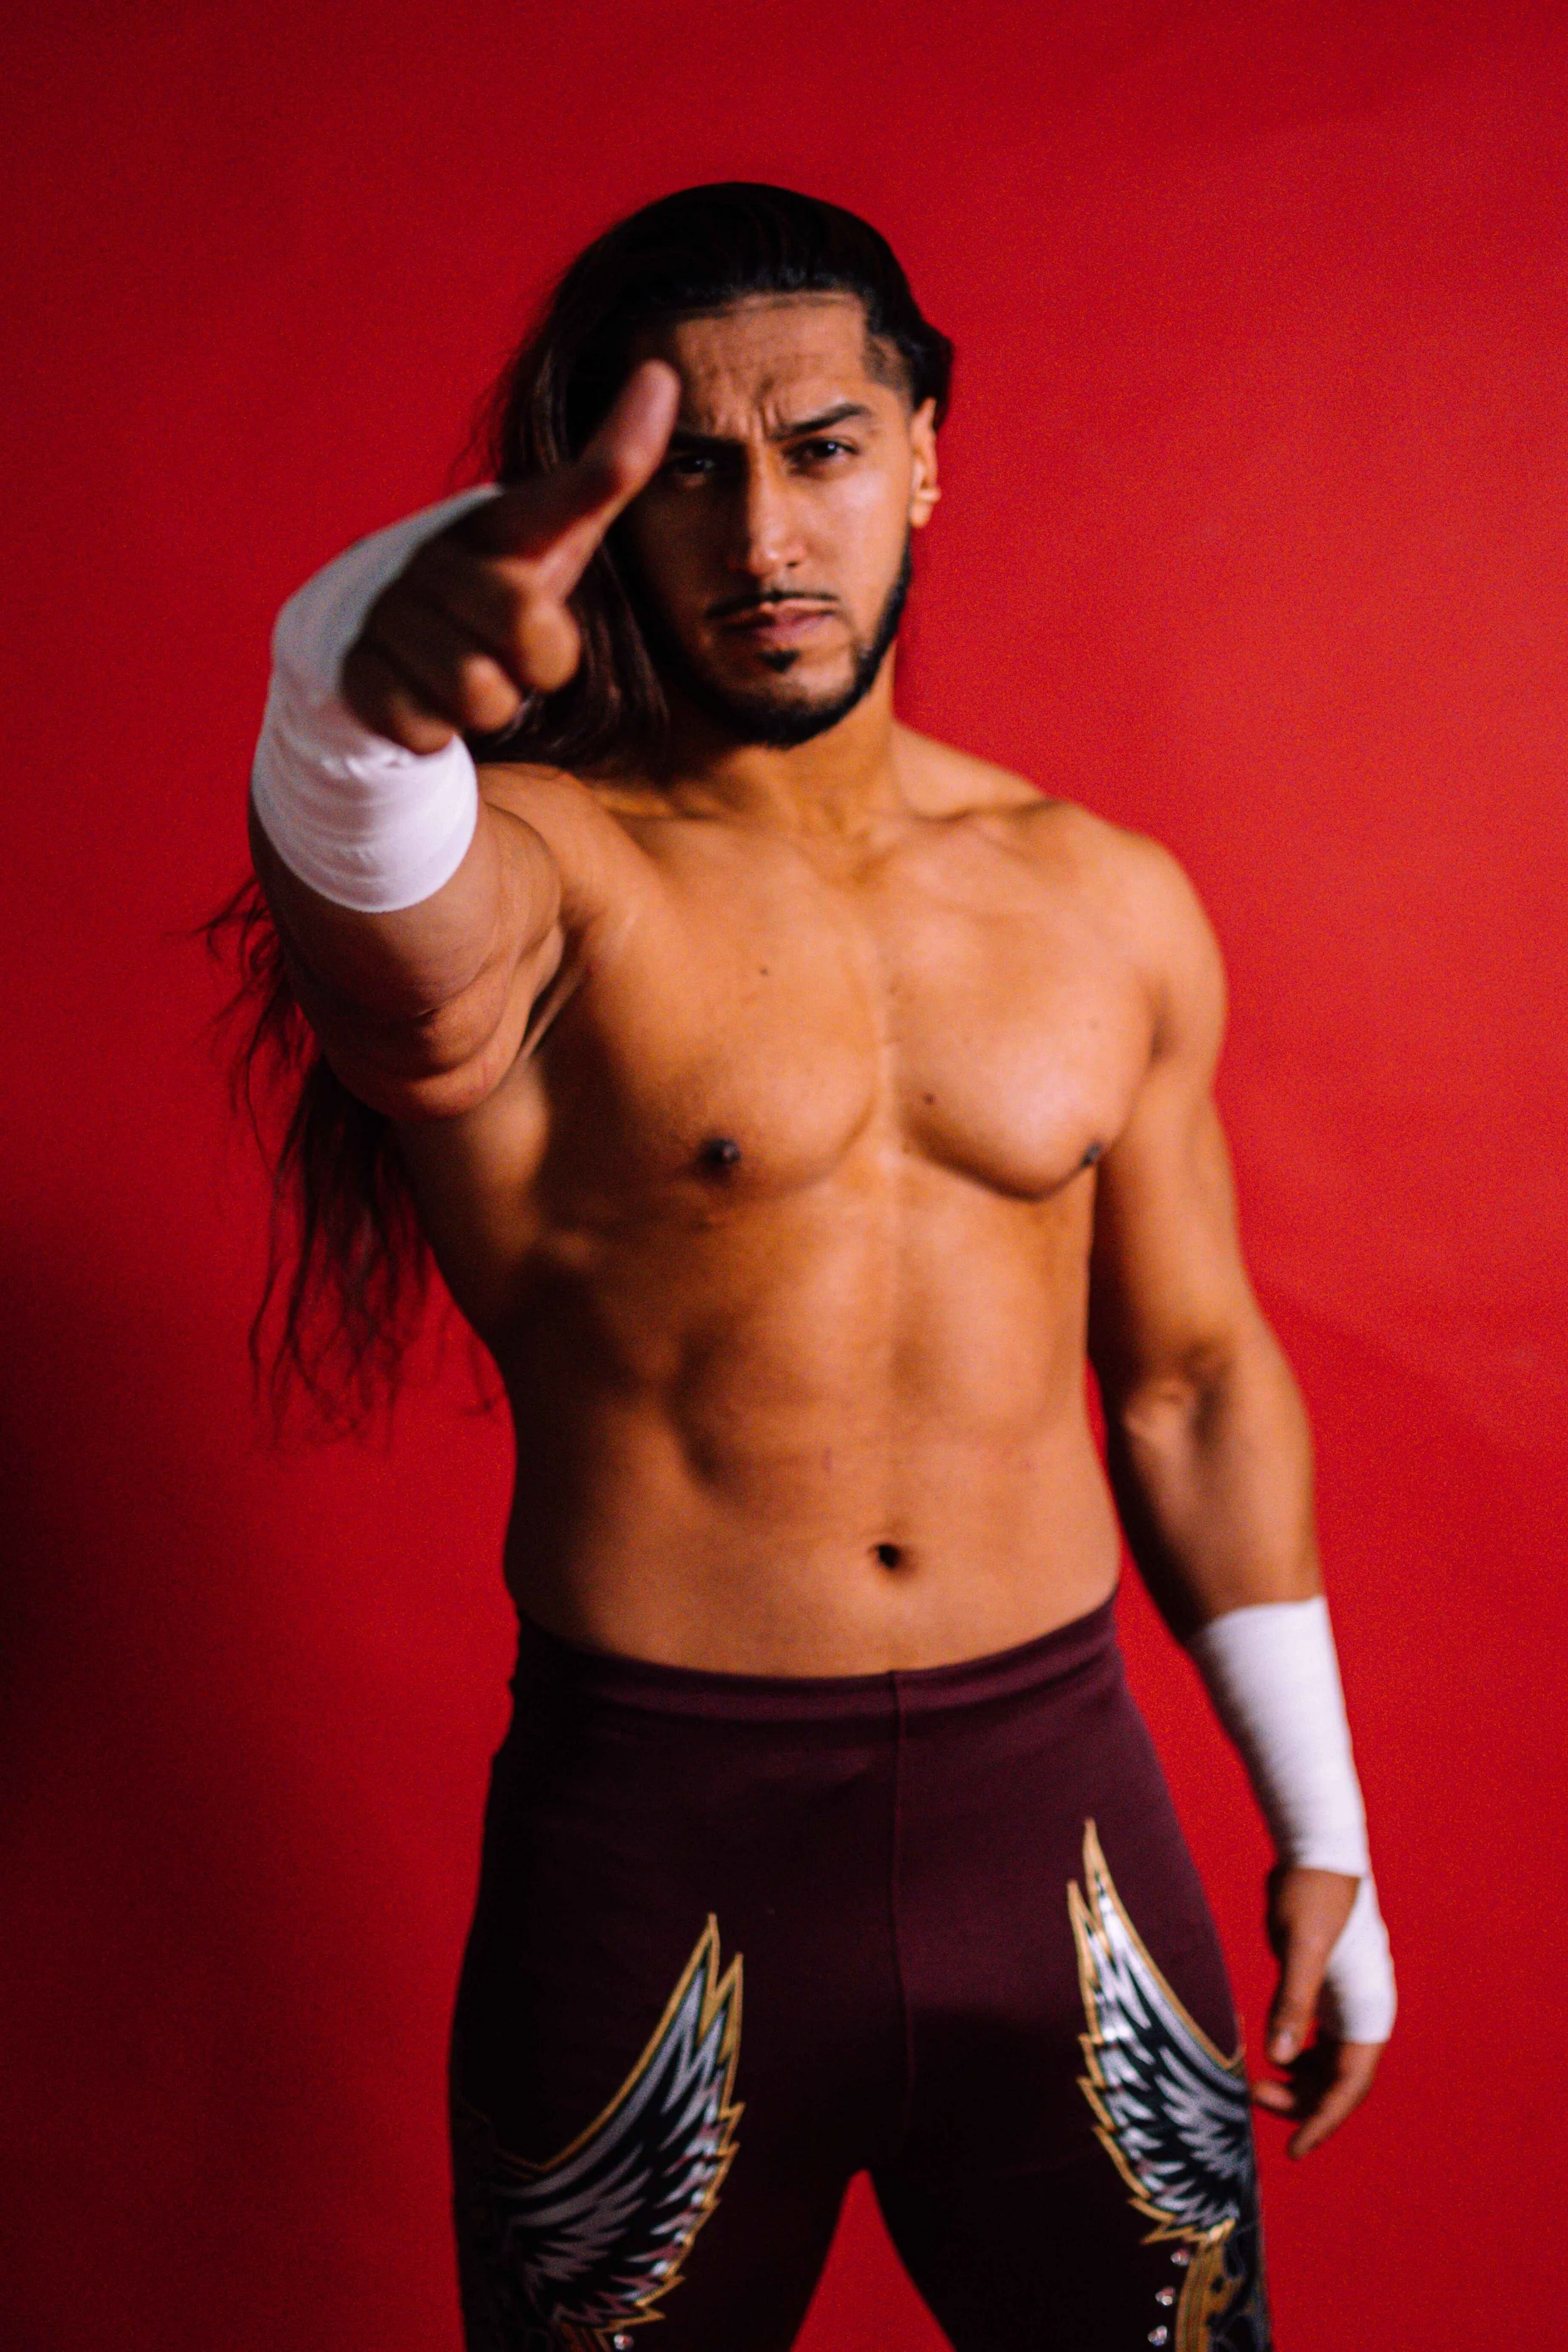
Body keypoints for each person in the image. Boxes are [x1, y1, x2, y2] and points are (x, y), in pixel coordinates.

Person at [241, 183, 1394, 2352]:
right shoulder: (548, 875)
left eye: (822, 447)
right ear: (603, 507)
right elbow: (399, 967)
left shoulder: (1104, 898)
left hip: (1052, 1821)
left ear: (926, 451)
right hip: (660, 1852)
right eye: (690, 463)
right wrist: (349, 687)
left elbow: (1189, 1376)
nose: (762, 530)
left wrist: (1318, 1810)